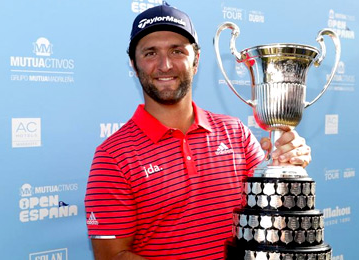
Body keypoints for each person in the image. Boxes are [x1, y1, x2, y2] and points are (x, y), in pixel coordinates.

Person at [85, 2, 311, 259]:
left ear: (196, 60)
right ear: (134, 65)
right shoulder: (112, 156)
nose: (165, 65)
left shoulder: (236, 133)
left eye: (177, 51)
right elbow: (112, 256)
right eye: (150, 53)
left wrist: (289, 169)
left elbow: (275, 216)